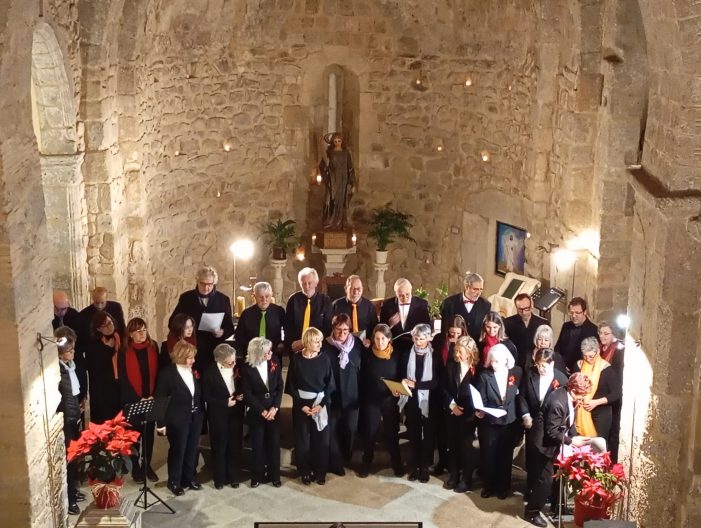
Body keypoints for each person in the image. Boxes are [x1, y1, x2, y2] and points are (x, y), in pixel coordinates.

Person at [524, 373, 592, 527]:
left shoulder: (568, 396)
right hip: (544, 446)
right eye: (582, 395)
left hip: (555, 444)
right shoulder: (557, 402)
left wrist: (576, 436)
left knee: (559, 478)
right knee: (545, 481)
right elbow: (552, 432)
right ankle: (532, 512)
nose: (584, 399)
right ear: (574, 390)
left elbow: (569, 422)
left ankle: (557, 507)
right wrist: (571, 441)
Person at [519, 348, 569, 508]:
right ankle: (531, 488)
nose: (540, 369)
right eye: (538, 365)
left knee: (546, 464)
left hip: (550, 428)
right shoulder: (530, 374)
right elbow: (522, 396)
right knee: (532, 459)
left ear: (552, 364)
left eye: (544, 366)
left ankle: (546, 493)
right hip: (532, 423)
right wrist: (525, 414)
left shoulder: (561, 379)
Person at [285, 327, 336, 485]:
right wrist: (301, 406)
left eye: (320, 341)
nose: (320, 344)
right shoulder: (296, 359)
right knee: (303, 440)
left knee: (320, 440)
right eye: (316, 341)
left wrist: (321, 405)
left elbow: (330, 385)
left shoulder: (325, 359)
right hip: (302, 405)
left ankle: (320, 472)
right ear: (307, 342)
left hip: (320, 403)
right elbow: (291, 386)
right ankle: (305, 471)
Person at [155, 340, 205, 496]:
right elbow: (159, 399)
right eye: (190, 357)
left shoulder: (191, 371)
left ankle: (187, 478)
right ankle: (174, 482)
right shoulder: (167, 374)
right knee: (178, 450)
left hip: (195, 417)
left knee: (192, 449)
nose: (193, 360)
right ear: (181, 356)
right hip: (177, 419)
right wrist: (160, 423)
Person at [475, 343, 523, 499]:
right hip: (490, 422)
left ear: (506, 360)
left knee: (505, 456)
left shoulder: (516, 373)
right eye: (492, 361)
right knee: (489, 456)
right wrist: (480, 410)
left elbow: (519, 396)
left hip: (509, 422)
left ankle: (503, 488)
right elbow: (481, 399)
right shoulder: (485, 375)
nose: (494, 364)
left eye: (497, 361)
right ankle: (488, 486)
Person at [358, 324, 404, 478]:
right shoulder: (366, 355)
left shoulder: (396, 355)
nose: (380, 342)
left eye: (383, 339)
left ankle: (396, 462)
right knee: (370, 432)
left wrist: (399, 388)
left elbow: (401, 376)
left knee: (392, 432)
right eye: (376, 339)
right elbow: (361, 377)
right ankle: (367, 461)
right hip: (371, 400)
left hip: (390, 400)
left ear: (389, 339)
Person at [117, 317, 160, 483]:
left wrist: (153, 395)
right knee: (134, 436)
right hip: (133, 399)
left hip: (151, 397)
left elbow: (158, 373)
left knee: (149, 434)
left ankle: (147, 465)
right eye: (137, 331)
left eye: (144, 329)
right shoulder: (124, 351)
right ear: (130, 334)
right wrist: (138, 398)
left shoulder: (153, 346)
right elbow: (123, 379)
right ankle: (135, 466)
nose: (142, 333)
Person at [168, 266, 235, 370]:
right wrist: (185, 329)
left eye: (210, 284)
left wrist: (221, 332)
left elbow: (229, 328)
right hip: (191, 349)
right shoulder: (186, 298)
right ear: (197, 281)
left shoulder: (223, 300)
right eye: (202, 283)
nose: (206, 287)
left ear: (214, 283)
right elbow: (172, 322)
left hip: (214, 350)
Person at [400, 323, 440, 483]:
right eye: (416, 338)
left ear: (429, 338)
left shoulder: (435, 357)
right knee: (414, 433)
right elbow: (402, 376)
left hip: (429, 401)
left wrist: (416, 385)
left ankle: (425, 466)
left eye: (422, 339)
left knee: (428, 435)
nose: (418, 342)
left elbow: (436, 382)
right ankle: (415, 466)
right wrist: (402, 385)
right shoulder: (406, 355)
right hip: (411, 399)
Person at [322, 314, 362, 474]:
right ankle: (336, 463)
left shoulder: (357, 344)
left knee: (350, 429)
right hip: (332, 396)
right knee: (332, 430)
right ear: (333, 329)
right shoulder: (325, 345)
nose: (342, 333)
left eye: (346, 330)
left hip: (353, 395)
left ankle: (347, 456)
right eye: (338, 330)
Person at [242, 337, 283, 488]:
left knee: (274, 442)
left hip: (273, 407)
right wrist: (261, 411)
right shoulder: (247, 367)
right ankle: (256, 476)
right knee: (257, 443)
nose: (270, 353)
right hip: (257, 409)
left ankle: (275, 476)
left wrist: (275, 407)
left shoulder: (275, 361)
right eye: (267, 351)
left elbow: (280, 385)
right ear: (258, 353)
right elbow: (247, 393)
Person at [202, 344, 244, 489]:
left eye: (234, 361)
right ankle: (219, 478)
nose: (234, 364)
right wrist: (224, 402)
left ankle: (234, 476)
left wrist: (240, 395)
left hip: (235, 412)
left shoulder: (237, 369)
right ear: (220, 361)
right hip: (218, 414)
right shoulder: (209, 373)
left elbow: (241, 385)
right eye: (230, 362)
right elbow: (206, 396)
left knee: (234, 444)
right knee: (220, 445)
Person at [431, 313, 468, 475]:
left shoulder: (466, 343)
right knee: (441, 429)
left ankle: (458, 464)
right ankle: (442, 461)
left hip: (457, 391)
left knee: (457, 433)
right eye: (451, 333)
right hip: (440, 387)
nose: (454, 337)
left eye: (458, 334)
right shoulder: (439, 339)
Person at [441, 335, 479, 493]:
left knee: (466, 447)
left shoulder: (477, 370)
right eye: (455, 351)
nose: (456, 355)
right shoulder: (450, 366)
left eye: (460, 351)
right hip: (452, 412)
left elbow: (479, 392)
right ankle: (454, 474)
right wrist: (452, 405)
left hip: (469, 416)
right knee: (453, 444)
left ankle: (466, 478)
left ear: (470, 352)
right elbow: (443, 388)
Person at [574, 337, 621, 449]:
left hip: (601, 414)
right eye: (585, 356)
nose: (588, 359)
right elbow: (572, 386)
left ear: (598, 352)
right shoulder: (579, 365)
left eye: (591, 356)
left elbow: (616, 394)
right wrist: (576, 398)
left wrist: (596, 402)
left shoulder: (606, 369)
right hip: (580, 409)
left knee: (597, 447)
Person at [56, 330, 84, 516]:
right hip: (66, 420)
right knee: (68, 459)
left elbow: (73, 393)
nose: (73, 352)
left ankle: (73, 490)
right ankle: (70, 499)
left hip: (74, 417)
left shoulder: (71, 366)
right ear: (60, 353)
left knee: (75, 457)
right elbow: (61, 398)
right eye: (69, 350)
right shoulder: (58, 371)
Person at [284, 268, 333, 355]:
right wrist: (293, 342)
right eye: (304, 283)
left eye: (309, 283)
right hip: (297, 348)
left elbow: (327, 328)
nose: (307, 286)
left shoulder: (325, 300)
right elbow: (288, 326)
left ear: (316, 283)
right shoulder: (293, 300)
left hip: (318, 348)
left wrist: (309, 343)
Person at [234, 281, 285, 362]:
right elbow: (238, 336)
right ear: (254, 296)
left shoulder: (279, 311)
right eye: (261, 297)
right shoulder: (246, 314)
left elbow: (288, 329)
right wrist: (252, 349)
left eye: (267, 296)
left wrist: (282, 344)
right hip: (251, 356)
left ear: (271, 294)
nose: (264, 300)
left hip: (273, 355)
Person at [85, 311, 121, 424]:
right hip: (102, 392)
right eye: (104, 326)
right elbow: (95, 367)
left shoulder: (120, 337)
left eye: (110, 322)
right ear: (98, 329)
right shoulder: (93, 344)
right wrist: (108, 349)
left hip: (118, 387)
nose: (109, 326)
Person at [379, 277, 430, 355]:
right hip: (393, 347)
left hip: (414, 345)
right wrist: (390, 324)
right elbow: (380, 329)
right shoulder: (387, 305)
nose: (405, 298)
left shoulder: (421, 304)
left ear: (411, 290)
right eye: (401, 296)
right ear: (396, 293)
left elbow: (427, 327)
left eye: (407, 294)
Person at [598, 321, 625, 462]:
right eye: (601, 333)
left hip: (612, 394)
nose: (602, 336)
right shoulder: (600, 349)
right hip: (600, 393)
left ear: (613, 334)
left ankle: (610, 461)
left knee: (612, 430)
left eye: (606, 333)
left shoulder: (619, 349)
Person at [319, 132, 355, 230]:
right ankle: (330, 221)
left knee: (342, 201)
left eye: (339, 141)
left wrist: (352, 183)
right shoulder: (329, 153)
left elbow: (350, 168)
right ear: (332, 142)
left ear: (342, 141)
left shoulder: (346, 153)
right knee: (331, 200)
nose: (337, 143)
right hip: (333, 179)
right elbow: (322, 166)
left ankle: (341, 222)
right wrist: (326, 170)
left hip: (343, 180)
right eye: (335, 141)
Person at [440, 272, 491, 342]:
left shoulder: (486, 305)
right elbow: (444, 330)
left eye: (481, 289)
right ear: (466, 287)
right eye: (475, 289)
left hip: (477, 348)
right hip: (455, 347)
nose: (479, 293)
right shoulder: (449, 303)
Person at [503, 293, 549, 369]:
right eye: (520, 310)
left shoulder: (543, 323)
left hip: (536, 364)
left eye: (526, 309)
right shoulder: (507, 323)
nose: (524, 313)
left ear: (532, 306)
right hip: (515, 363)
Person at [554, 297, 598, 373]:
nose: (573, 316)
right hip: (561, 369)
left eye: (577, 312)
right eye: (571, 312)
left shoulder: (593, 329)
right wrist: (561, 365)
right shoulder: (566, 326)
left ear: (585, 312)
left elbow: (591, 355)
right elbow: (558, 347)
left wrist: (574, 367)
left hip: (580, 370)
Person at [332, 275, 378, 343]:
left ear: (362, 289)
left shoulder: (369, 306)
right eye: (352, 288)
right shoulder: (336, 305)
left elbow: (375, 328)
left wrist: (370, 340)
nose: (356, 292)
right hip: (341, 345)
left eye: (358, 288)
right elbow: (331, 327)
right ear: (345, 289)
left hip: (364, 345)